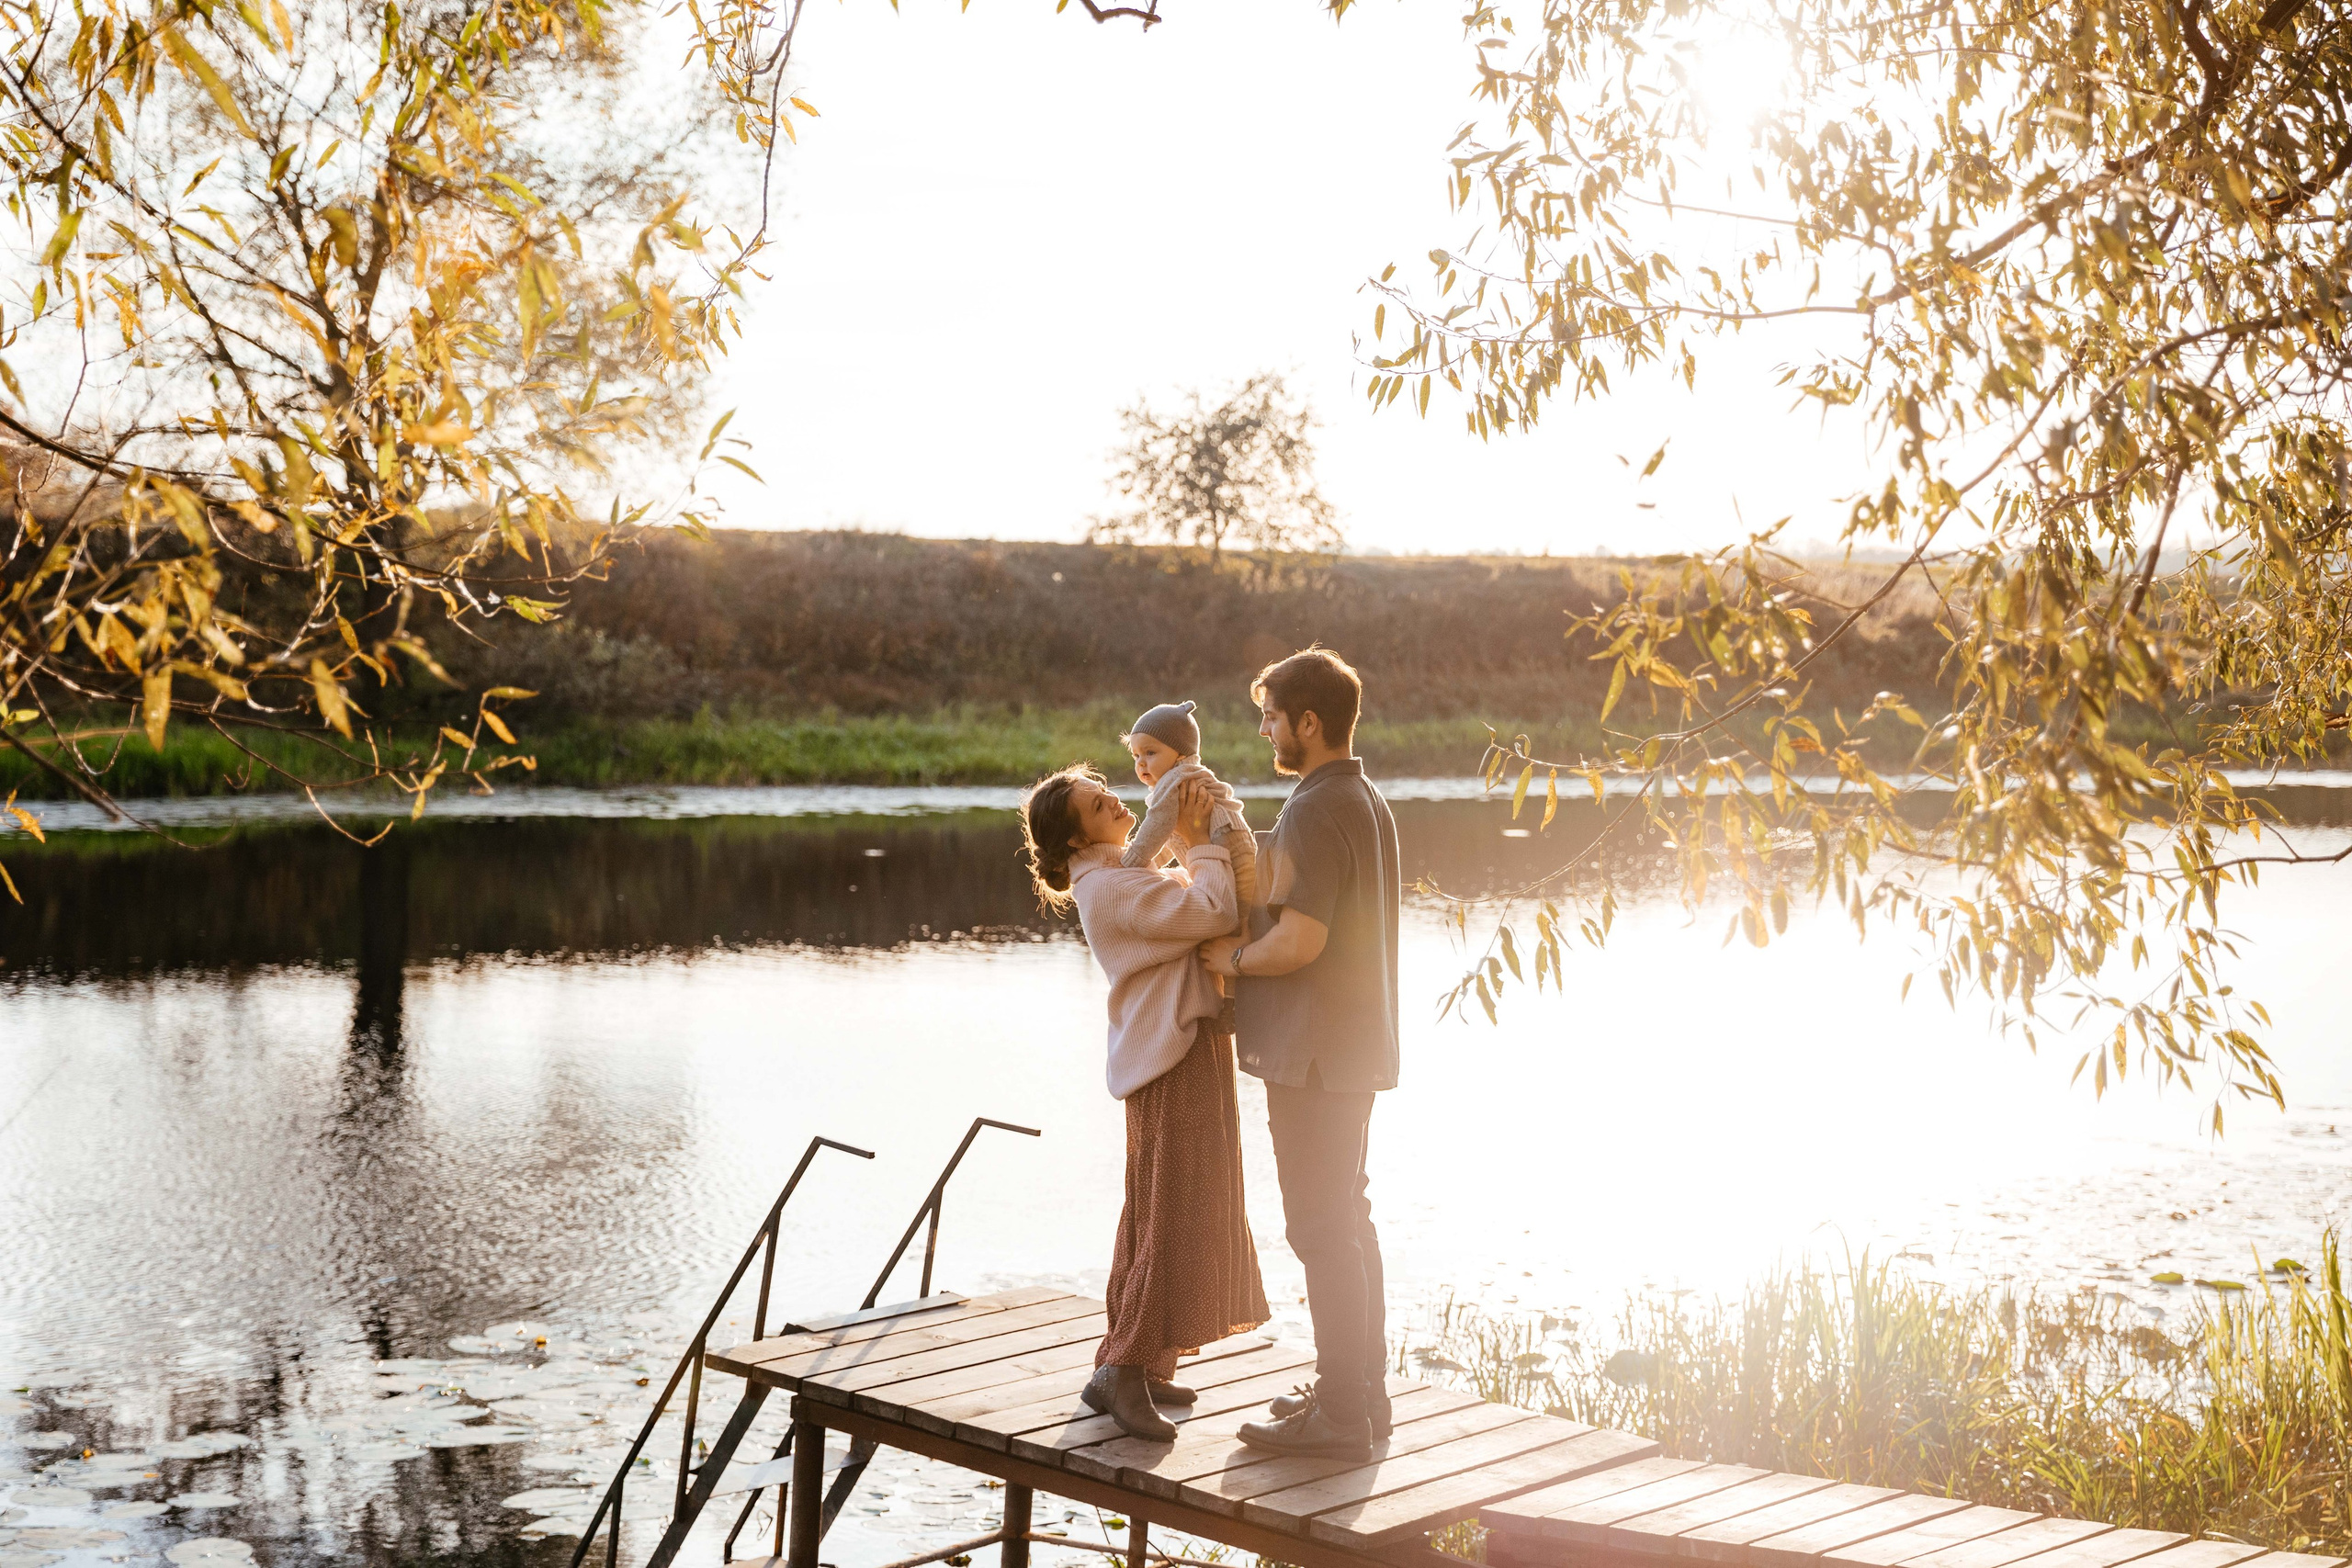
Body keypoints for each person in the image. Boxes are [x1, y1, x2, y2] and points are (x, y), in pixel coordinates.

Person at [1019, 762, 1270, 1443]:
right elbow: (1215, 910)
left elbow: (1181, 895)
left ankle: (1141, 1364)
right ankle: (1124, 1369)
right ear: (1077, 839)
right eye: (1097, 803)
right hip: (1170, 1059)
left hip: (1176, 1051)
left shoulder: (1121, 875)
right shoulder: (1110, 888)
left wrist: (1181, 834)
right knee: (1170, 1212)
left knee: (1160, 1210)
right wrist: (1204, 839)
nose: (1114, 801)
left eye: (1106, 791)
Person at [1201, 647, 1398, 1462]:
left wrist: (1230, 960)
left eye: (1273, 716)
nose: (1265, 730)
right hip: (1351, 1051)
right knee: (1348, 1217)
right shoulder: (1364, 797)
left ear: (1308, 722)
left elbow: (1301, 939)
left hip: (1314, 1057)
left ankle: (1341, 1416)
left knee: (1320, 1228)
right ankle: (1362, 1396)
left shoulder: (1318, 808)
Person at [1117, 699, 1259, 996]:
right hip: (1230, 851)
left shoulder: (1176, 779)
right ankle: (1229, 995)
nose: (1141, 763)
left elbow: (1156, 827)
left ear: (1181, 753)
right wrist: (1149, 866)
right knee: (1229, 924)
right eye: (1136, 755)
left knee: (1238, 923)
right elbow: (1172, 838)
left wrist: (1131, 861)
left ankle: (1234, 992)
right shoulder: (1177, 779)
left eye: (1150, 753)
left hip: (1234, 853)